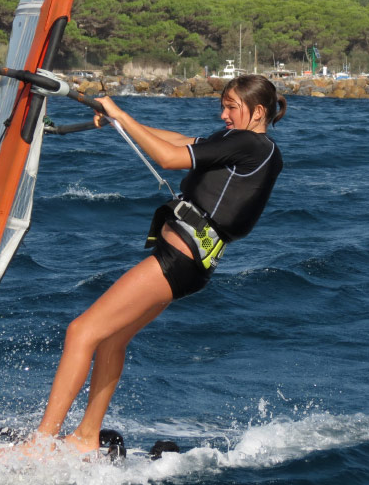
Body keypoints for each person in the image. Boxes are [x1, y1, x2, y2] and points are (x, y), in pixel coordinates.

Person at [26, 74, 285, 454]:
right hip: (189, 265)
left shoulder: (250, 144)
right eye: (223, 105)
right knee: (112, 340)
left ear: (258, 111)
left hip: (178, 259)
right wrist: (119, 121)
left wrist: (120, 113)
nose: (223, 114)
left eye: (231, 107)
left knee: (81, 332)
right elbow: (181, 141)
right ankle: (85, 437)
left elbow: (168, 157)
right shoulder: (249, 145)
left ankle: (40, 442)